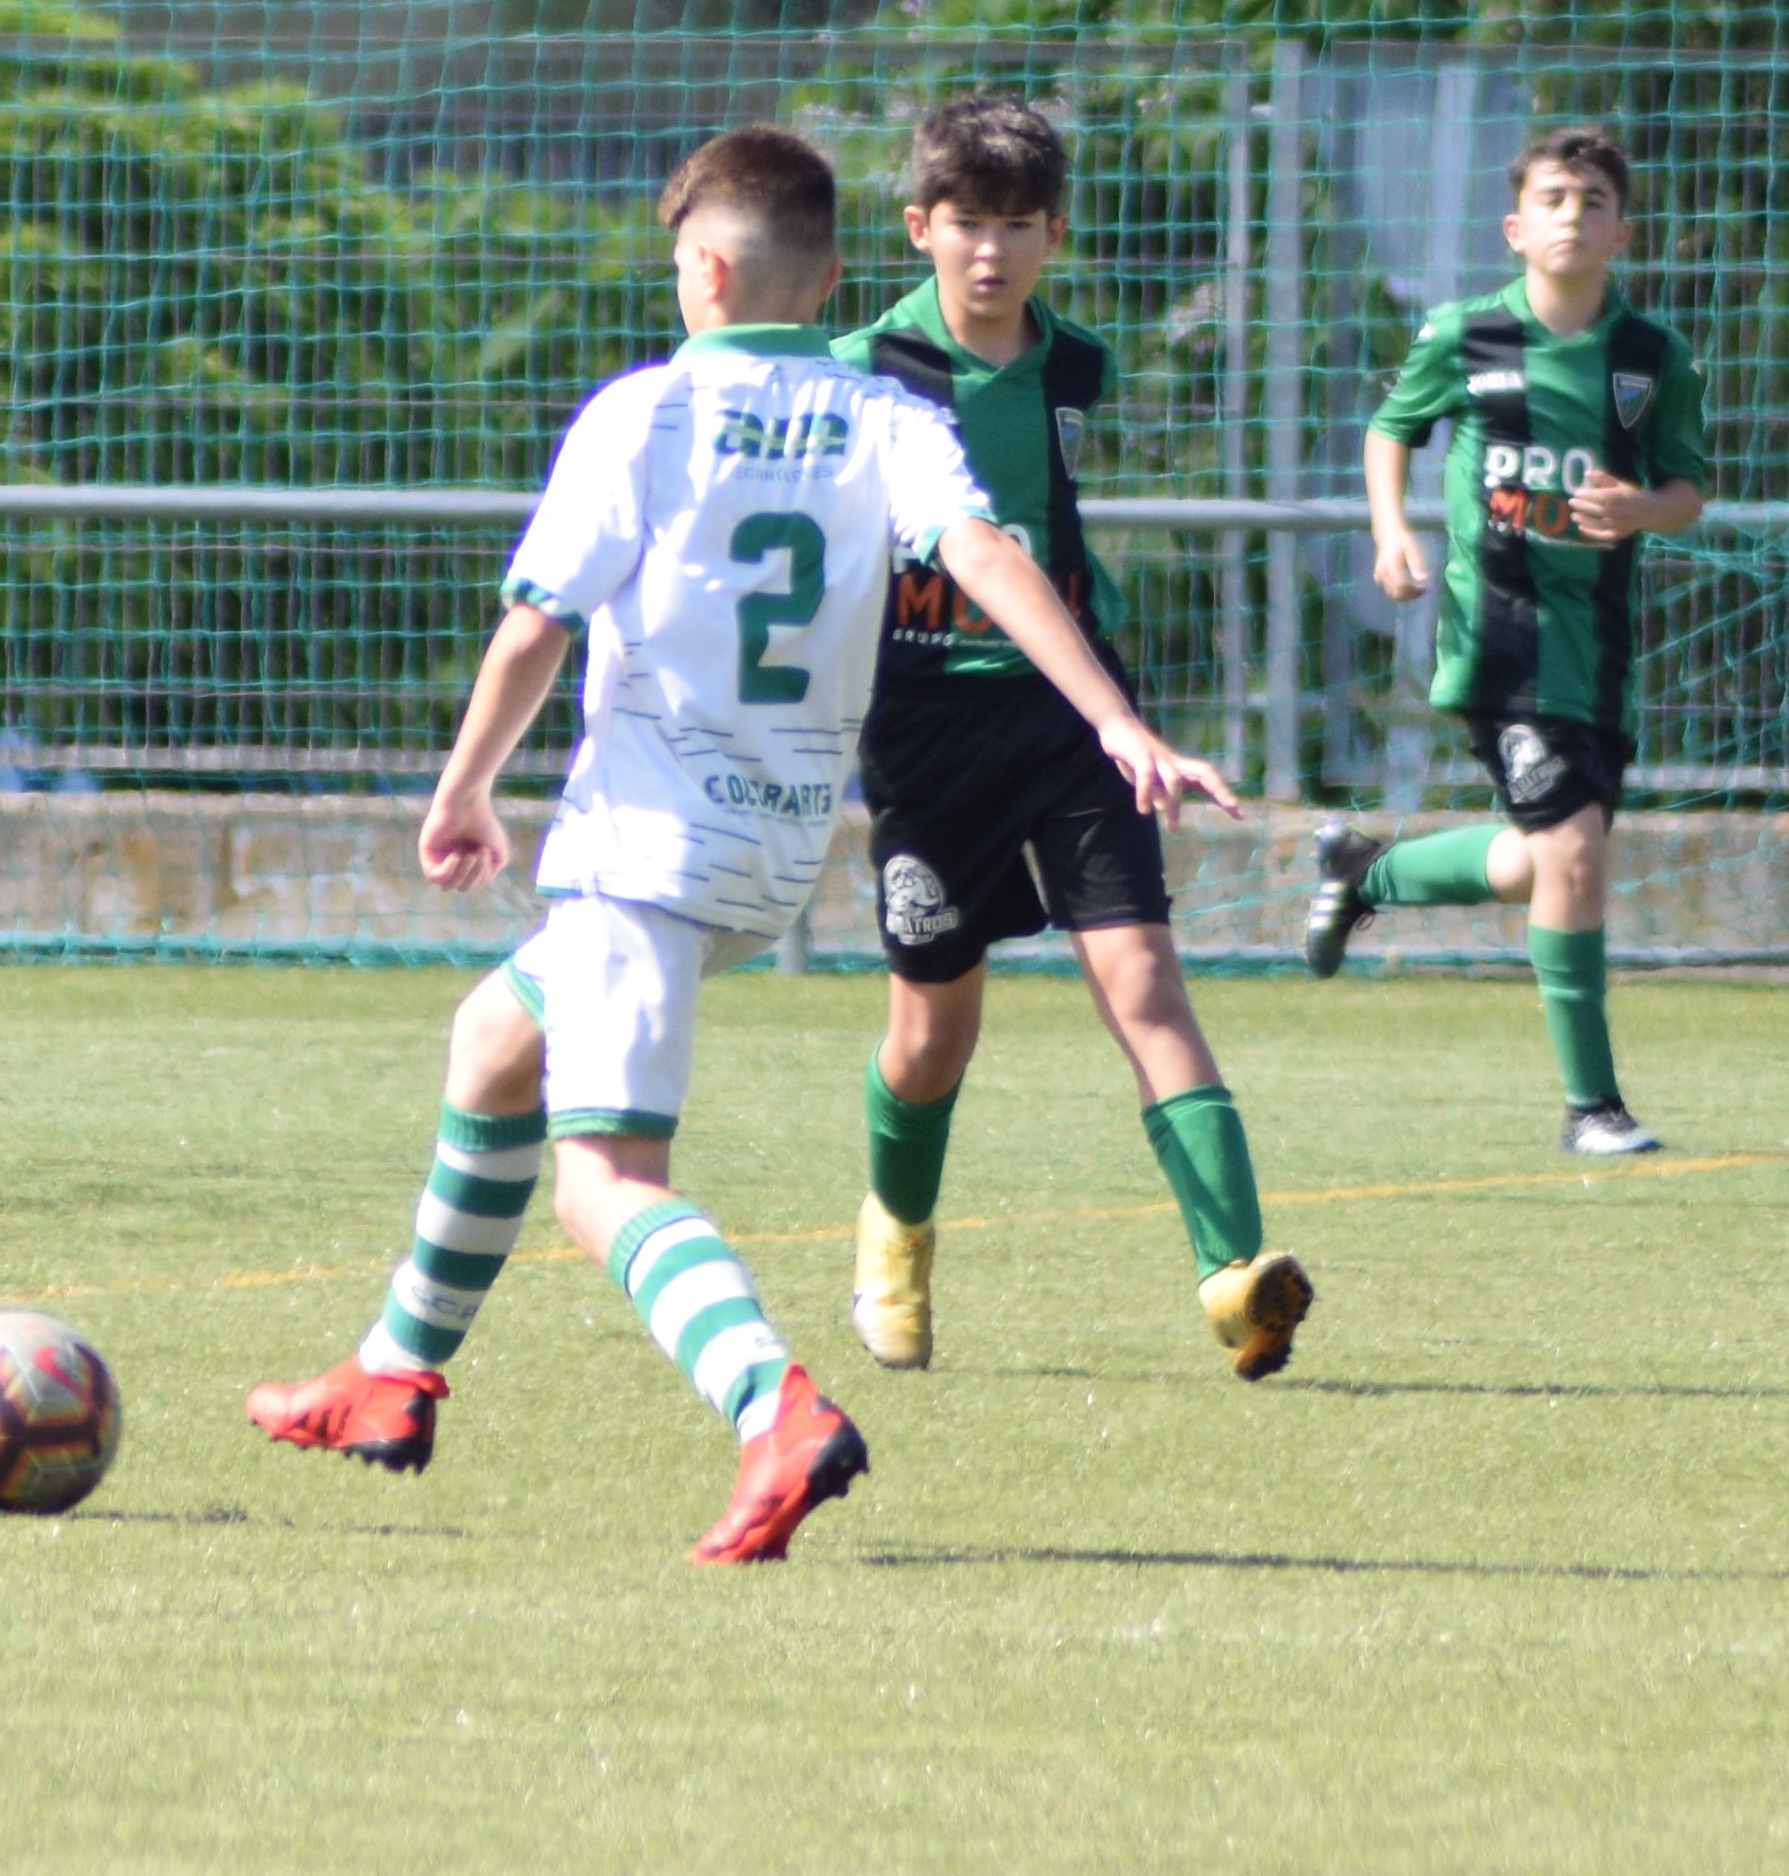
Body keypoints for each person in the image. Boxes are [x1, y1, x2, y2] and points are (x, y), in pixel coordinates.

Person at [247, 126, 1223, 1564]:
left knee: (606, 1178)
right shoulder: (886, 413)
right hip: (777, 853)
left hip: (643, 848)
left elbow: (537, 623)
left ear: (699, 268)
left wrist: (463, 790)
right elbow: (991, 553)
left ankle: (776, 1408)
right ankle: (389, 1374)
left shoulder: (640, 413)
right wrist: (1116, 724)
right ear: (831, 276)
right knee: (491, 1044)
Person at [834, 93, 1301, 1380]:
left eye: (1018, 225)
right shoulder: (859, 377)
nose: (990, 251)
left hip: (1071, 716)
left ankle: (1237, 1277)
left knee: (1146, 982)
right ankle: (897, 1239)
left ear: (1056, 233)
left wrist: (1118, 717)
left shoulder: (1078, 366)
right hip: (922, 733)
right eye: (966, 224)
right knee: (933, 1037)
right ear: (919, 227)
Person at [1300, 125, 1710, 1153]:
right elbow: (1392, 428)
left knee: (1550, 861)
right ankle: (1593, 1108)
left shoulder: (1652, 358)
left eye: (1593, 201)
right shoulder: (1467, 336)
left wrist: (1644, 511)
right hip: (1500, 638)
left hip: (1597, 648)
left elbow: (1687, 489)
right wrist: (1391, 531)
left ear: (1625, 231)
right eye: (1555, 199)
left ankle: (1366, 873)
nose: (1573, 216)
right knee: (1573, 850)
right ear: (1515, 226)